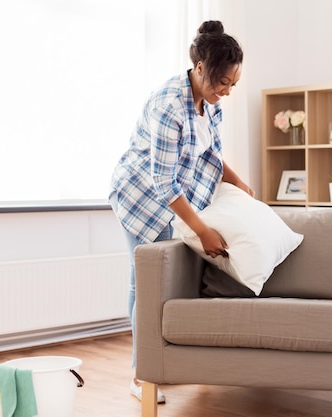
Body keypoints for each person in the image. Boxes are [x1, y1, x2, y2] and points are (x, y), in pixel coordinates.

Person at [108, 20, 253, 405]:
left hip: (172, 196)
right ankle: (143, 376)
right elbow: (163, 184)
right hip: (141, 197)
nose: (226, 90)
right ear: (200, 67)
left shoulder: (209, 102)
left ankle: (172, 364)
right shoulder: (168, 105)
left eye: (233, 84)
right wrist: (202, 230)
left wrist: (238, 182)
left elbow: (210, 153)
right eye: (222, 81)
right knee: (147, 282)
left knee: (173, 280)